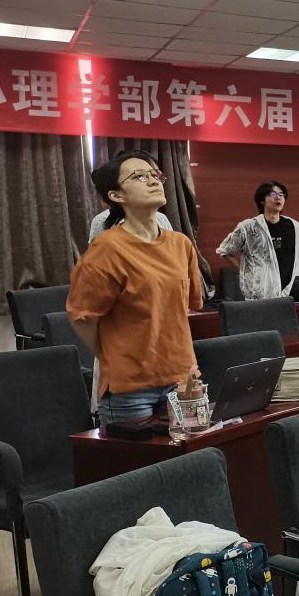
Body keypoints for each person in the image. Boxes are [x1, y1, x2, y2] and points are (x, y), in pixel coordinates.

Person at [67, 150, 203, 424]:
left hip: (183, 377)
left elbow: (187, 307)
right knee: (141, 453)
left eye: (155, 175)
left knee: (192, 450)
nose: (153, 181)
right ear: (116, 195)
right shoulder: (107, 249)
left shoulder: (180, 244)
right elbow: (82, 317)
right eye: (139, 177)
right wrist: (114, 356)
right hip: (131, 389)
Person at [216, 181, 299, 300]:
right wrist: (244, 273)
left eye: (281, 194)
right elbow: (225, 251)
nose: (278, 197)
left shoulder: (295, 228)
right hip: (259, 296)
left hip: (288, 295)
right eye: (273, 194)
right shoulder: (249, 227)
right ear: (262, 200)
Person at [89, 205, 171, 244]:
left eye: (157, 177)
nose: (155, 182)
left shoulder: (161, 218)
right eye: (140, 177)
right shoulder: (102, 219)